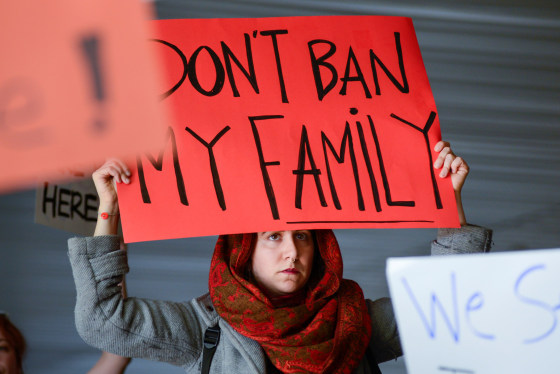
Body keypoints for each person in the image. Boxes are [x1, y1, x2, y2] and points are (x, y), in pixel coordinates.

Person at [67, 141, 492, 373]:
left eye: (304, 236)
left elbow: (450, 312)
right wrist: (108, 209)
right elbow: (101, 321)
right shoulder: (205, 328)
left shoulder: (356, 321)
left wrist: (447, 203)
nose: (292, 251)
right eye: (272, 236)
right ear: (243, 248)